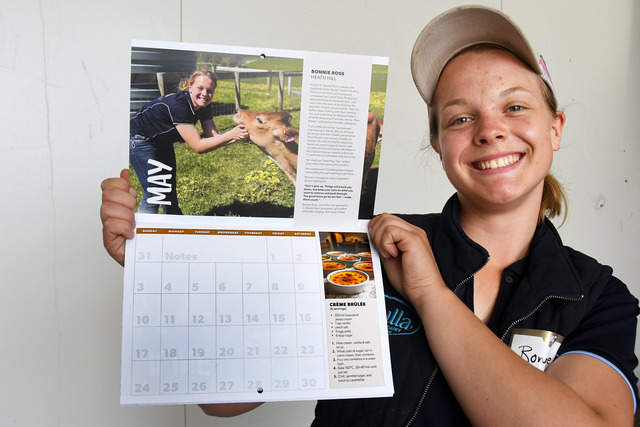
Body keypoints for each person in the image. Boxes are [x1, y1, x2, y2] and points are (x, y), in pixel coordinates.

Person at [101, 6, 639, 426]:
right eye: (460, 118)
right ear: (438, 143)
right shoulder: (365, 244)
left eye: (515, 106)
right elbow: (225, 400)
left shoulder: (598, 299)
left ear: (555, 128)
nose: (490, 130)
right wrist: (162, 268)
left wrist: (428, 294)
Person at [129, 69, 248, 214]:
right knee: (154, 193)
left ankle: (176, 226)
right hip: (140, 139)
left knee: (168, 192)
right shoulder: (179, 106)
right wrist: (231, 134)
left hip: (163, 141)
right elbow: (198, 146)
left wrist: (239, 136)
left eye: (210, 90)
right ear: (190, 87)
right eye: (200, 88)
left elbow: (215, 138)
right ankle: (145, 228)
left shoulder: (204, 105)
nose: (205, 94)